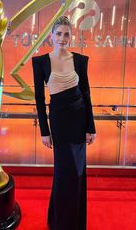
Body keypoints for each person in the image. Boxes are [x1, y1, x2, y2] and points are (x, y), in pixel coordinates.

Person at [32, 16, 96, 230]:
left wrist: (90, 127)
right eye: (58, 33)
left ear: (71, 36)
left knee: (77, 172)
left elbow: (86, 95)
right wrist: (44, 130)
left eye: (66, 34)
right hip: (58, 123)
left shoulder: (80, 60)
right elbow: (40, 100)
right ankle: (59, 222)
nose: (62, 38)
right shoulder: (40, 62)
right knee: (62, 173)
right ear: (51, 36)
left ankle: (75, 222)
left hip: (79, 123)